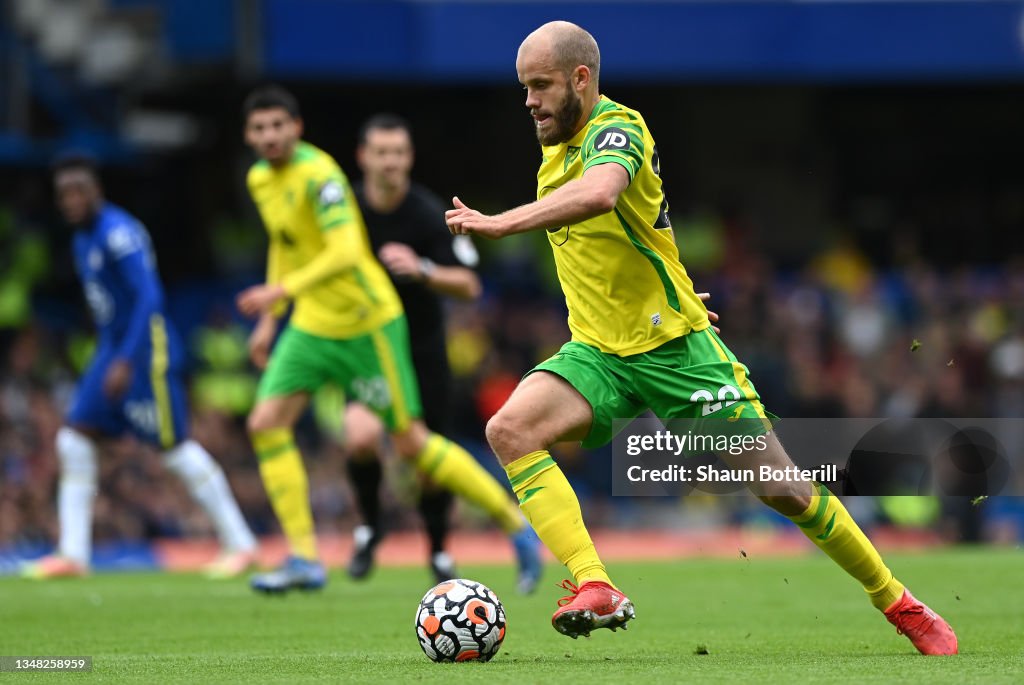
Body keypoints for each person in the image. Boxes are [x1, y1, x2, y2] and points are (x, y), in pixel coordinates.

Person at [445, 21, 957, 655]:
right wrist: (677, 288)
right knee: (509, 429)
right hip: (600, 354)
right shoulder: (554, 147)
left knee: (784, 489)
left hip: (676, 354)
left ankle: (899, 602)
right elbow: (642, 236)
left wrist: (499, 223)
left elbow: (605, 197)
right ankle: (594, 584)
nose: (529, 101)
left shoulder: (618, 129)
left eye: (541, 86)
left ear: (581, 78)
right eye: (524, 88)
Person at [237, 86, 541, 594]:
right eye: (259, 128)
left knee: (413, 445)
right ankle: (306, 558)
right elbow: (284, 242)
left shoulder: (322, 177)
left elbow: (345, 251)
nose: (269, 137)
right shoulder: (260, 179)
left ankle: (514, 525)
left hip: (366, 324)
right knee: (267, 423)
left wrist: (280, 291)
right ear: (248, 135)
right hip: (312, 325)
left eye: (278, 126)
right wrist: (272, 318)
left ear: (297, 127)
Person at [25, 155, 257, 579]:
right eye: (64, 194)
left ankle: (240, 543)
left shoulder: (119, 234)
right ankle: (73, 555)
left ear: (97, 191)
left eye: (79, 190)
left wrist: (125, 361)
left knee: (173, 448)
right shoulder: (82, 239)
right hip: (111, 350)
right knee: (74, 439)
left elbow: (149, 299)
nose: (72, 200)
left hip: (145, 352)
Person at [344, 113, 481, 583]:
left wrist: (422, 268)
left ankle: (439, 549)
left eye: (399, 153)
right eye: (381, 153)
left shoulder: (427, 213)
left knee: (427, 462)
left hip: (422, 351)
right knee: (360, 437)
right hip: (366, 348)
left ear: (409, 158)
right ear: (363, 157)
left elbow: (469, 284)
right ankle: (368, 527)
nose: (390, 162)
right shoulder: (345, 211)